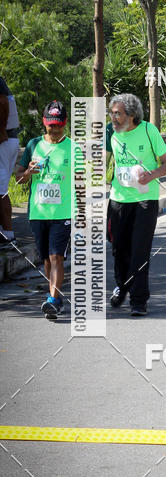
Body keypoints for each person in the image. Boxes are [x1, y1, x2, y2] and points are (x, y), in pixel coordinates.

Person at [107, 94, 166, 316]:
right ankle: (122, 286)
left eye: (118, 114)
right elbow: (100, 160)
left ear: (132, 115)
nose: (114, 118)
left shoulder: (148, 131)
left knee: (139, 250)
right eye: (112, 113)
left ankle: (138, 300)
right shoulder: (111, 132)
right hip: (118, 199)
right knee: (119, 249)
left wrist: (151, 175)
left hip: (145, 200)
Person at [15, 101, 73, 319]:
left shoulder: (72, 148)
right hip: (38, 212)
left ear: (65, 123)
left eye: (58, 124)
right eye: (50, 124)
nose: (54, 128)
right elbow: (19, 178)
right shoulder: (33, 145)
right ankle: (55, 298)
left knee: (57, 256)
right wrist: (28, 172)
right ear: (44, 122)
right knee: (47, 260)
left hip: (62, 212)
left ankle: (52, 300)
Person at [0, 76, 20, 246]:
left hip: (4, 140)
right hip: (8, 139)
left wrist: (1, 130)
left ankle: (8, 234)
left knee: (0, 190)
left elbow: (3, 100)